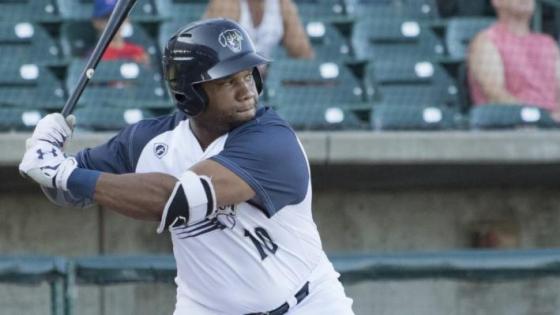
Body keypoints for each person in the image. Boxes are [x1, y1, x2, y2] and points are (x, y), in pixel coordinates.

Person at [19, 19, 354, 315]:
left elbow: (179, 199)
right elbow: (70, 194)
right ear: (188, 93)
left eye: (248, 74)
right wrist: (46, 156)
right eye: (227, 81)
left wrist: (64, 172)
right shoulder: (147, 142)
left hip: (307, 303)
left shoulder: (271, 141)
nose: (246, 91)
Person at [467, 0, 560, 121]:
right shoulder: (486, 41)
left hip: (554, 127)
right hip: (511, 128)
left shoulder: (548, 43)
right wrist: (538, 116)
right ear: (496, 2)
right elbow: (495, 94)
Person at [203, 0, 314, 60]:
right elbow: (213, 54)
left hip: (265, 79)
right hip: (230, 79)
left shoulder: (283, 4)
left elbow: (302, 52)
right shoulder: (226, 3)